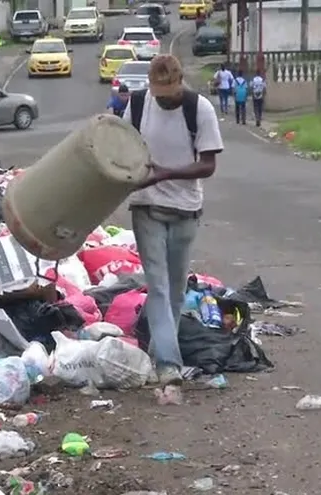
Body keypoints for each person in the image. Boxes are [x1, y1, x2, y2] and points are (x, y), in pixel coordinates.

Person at [122, 54, 224, 385]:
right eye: (158, 95)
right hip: (146, 205)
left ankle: (158, 351)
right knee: (159, 286)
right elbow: (122, 150)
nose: (163, 101)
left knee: (177, 290)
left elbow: (208, 165)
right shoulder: (138, 104)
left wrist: (167, 174)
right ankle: (168, 364)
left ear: (180, 83)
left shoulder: (200, 109)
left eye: (169, 95)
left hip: (186, 208)